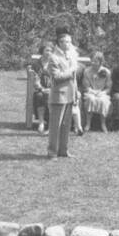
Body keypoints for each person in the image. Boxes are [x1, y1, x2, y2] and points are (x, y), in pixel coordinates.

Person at [45, 27, 79, 158]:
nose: (68, 44)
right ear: (59, 43)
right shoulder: (53, 58)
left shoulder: (71, 57)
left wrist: (76, 93)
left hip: (70, 95)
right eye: (66, 42)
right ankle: (52, 152)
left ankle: (63, 151)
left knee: (66, 125)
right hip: (58, 96)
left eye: (70, 42)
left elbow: (74, 79)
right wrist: (70, 72)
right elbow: (56, 77)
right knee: (55, 126)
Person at [81, 51, 112, 133]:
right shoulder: (87, 71)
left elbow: (108, 88)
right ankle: (88, 123)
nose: (93, 63)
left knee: (103, 100)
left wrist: (102, 93)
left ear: (101, 62)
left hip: (102, 93)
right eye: (92, 60)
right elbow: (86, 86)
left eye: (95, 61)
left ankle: (103, 124)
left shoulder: (107, 72)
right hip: (90, 92)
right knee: (90, 99)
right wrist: (92, 92)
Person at [31, 43, 55, 132]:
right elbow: (35, 79)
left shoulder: (55, 63)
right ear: (42, 51)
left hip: (53, 89)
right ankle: (41, 122)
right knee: (39, 96)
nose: (49, 53)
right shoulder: (36, 64)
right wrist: (42, 88)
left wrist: (52, 89)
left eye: (51, 51)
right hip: (40, 89)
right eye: (47, 50)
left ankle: (50, 123)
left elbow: (57, 78)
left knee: (51, 96)